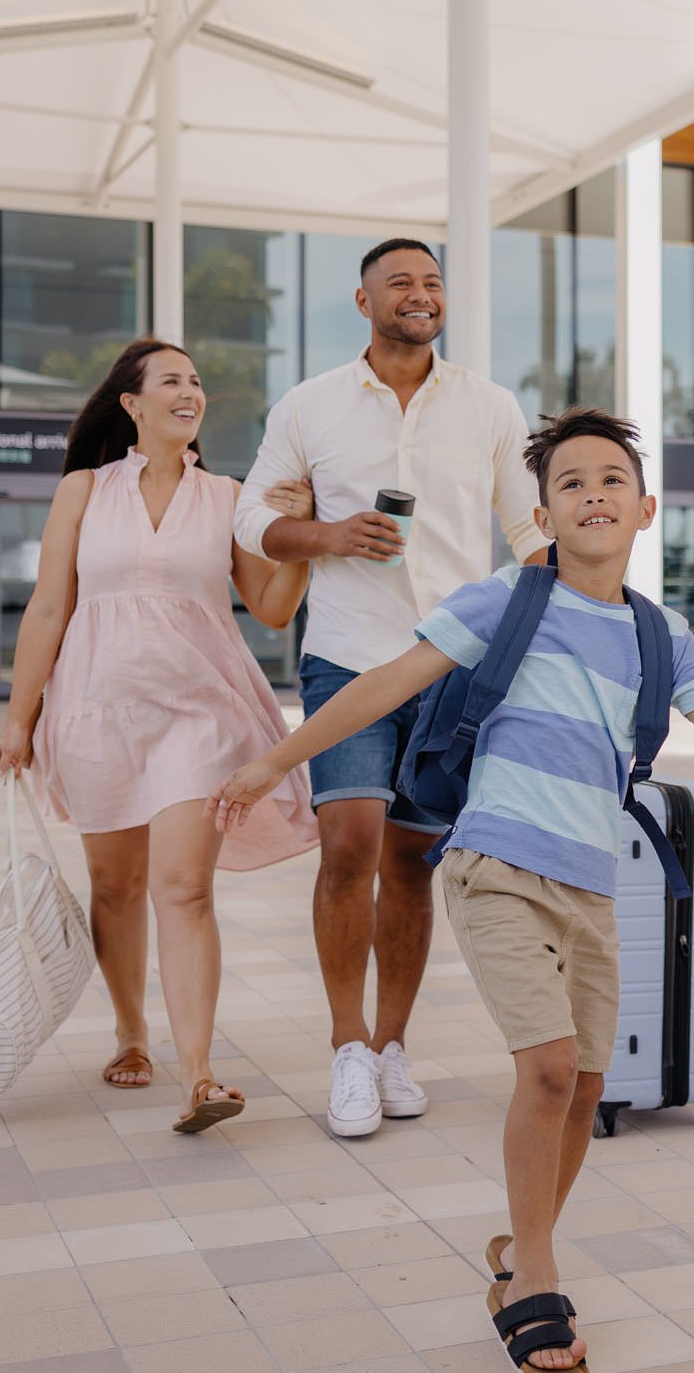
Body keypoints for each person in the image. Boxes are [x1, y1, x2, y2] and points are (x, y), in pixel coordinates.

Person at [211, 409, 694, 1373]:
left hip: (592, 883)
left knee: (591, 1084)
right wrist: (269, 762)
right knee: (552, 1068)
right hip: (494, 866)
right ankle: (537, 1281)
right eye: (571, 482)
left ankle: (519, 1249)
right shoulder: (502, 601)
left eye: (611, 479)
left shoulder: (661, 635)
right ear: (542, 513)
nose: (593, 493)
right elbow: (383, 686)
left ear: (646, 508)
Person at [234, 238, 547, 1139]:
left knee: (412, 862)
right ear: (363, 298)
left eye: (433, 282)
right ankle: (345, 1052)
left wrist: (566, 616)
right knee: (349, 846)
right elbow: (252, 519)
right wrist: (329, 537)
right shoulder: (310, 406)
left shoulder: (489, 406)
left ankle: (392, 1048)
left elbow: (528, 530)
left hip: (458, 664)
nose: (421, 294)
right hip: (348, 655)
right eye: (401, 282)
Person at [0, 339, 318, 1134]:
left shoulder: (227, 495)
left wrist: (300, 538)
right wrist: (17, 718)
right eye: (172, 380)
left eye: (198, 382)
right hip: (96, 709)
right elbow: (48, 608)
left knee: (184, 885)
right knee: (115, 886)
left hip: (200, 714)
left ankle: (200, 1076)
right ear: (131, 404)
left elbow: (270, 608)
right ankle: (131, 1032)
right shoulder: (82, 491)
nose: (190, 391)